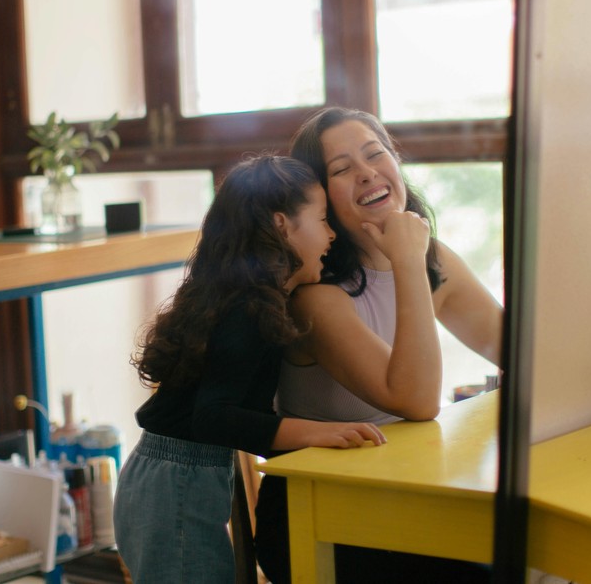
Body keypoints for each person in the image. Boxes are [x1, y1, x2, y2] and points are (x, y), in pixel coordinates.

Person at [254, 108, 503, 583]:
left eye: (376, 154)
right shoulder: (315, 297)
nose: (367, 172)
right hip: (320, 513)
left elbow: (518, 351)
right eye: (342, 169)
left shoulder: (433, 260)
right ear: (318, 198)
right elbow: (414, 400)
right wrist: (406, 259)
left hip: (402, 490)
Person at [113, 154, 387, 584]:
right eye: (321, 219)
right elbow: (214, 416)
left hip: (166, 476)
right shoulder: (250, 306)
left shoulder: (241, 297)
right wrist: (316, 432)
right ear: (282, 225)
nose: (332, 233)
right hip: (175, 484)